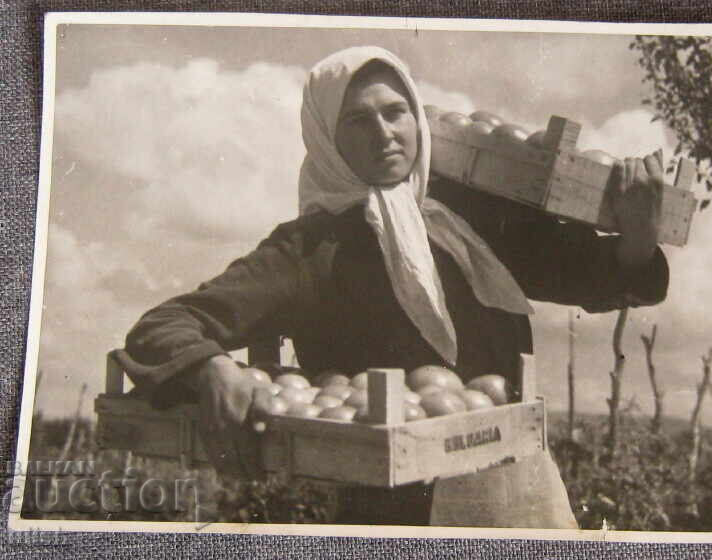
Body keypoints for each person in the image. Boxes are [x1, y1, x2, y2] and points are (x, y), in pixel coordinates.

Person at [120, 46, 668, 527]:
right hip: (392, 511)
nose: (383, 133)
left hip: (513, 492)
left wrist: (640, 234)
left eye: (395, 112)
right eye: (358, 120)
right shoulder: (306, 250)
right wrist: (211, 369)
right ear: (326, 136)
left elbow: (590, 272)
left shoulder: (470, 217)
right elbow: (164, 325)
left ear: (417, 119)